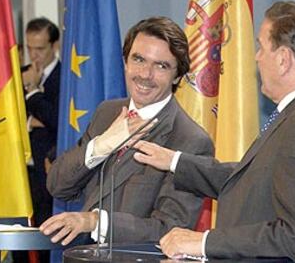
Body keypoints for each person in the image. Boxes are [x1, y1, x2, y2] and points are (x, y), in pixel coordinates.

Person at [133, 1, 295, 262]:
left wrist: (203, 242)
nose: (256, 57)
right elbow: (255, 181)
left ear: (283, 59)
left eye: (261, 46)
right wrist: (175, 161)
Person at [40, 16, 214, 247]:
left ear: (178, 76)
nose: (145, 74)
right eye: (138, 59)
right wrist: (101, 146)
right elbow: (59, 186)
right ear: (125, 62)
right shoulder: (107, 112)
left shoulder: (191, 141)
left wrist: (94, 221)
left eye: (161, 65)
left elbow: (169, 228)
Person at [20, 17, 60, 263]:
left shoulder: (65, 76)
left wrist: (34, 93)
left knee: (46, 237)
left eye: (40, 49)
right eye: (29, 48)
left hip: (47, 169)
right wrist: (29, 122)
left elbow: (57, 120)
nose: (34, 55)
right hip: (21, 171)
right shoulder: (20, 75)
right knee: (20, 238)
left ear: (54, 46)